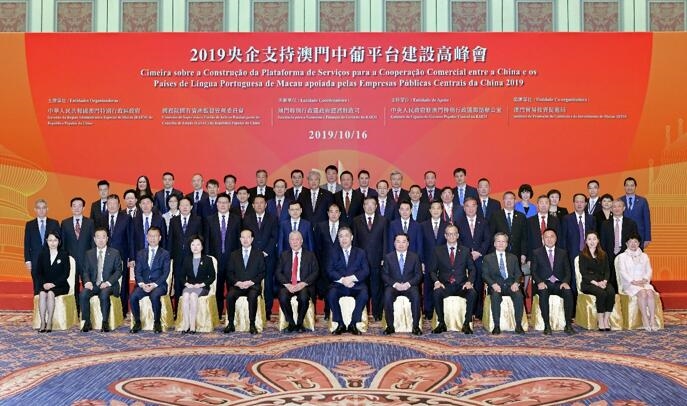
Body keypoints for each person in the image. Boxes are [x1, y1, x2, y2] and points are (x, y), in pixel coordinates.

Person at [429, 225, 477, 335]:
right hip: (445, 285)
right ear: (445, 236)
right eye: (449, 234)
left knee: (472, 293)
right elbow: (432, 271)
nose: (452, 236)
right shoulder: (438, 251)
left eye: (454, 234)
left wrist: (469, 282)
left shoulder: (465, 250)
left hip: (461, 286)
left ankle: (466, 324)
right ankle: (441, 323)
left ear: (458, 235)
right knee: (436, 293)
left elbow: (472, 269)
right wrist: (437, 282)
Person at [531, 229, 575, 335]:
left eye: (552, 236)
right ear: (543, 239)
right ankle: (547, 325)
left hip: (559, 283)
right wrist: (539, 282)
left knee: (568, 292)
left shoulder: (563, 253)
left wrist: (565, 282)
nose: (549, 239)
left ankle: (568, 324)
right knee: (543, 293)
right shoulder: (536, 252)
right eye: (546, 237)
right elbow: (533, 271)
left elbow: (568, 271)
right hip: (544, 283)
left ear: (556, 238)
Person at [204, 194, 241, 319]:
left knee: (233, 289)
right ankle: (217, 314)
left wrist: (238, 259)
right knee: (217, 289)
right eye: (220, 202)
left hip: (232, 260)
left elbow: (239, 241)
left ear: (229, 204)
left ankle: (232, 315)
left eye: (225, 202)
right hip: (216, 260)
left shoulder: (237, 219)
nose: (223, 205)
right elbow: (207, 241)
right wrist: (208, 259)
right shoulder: (209, 219)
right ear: (216, 204)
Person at [241, 195, 278, 319]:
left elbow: (274, 237)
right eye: (256, 203)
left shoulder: (272, 218)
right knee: (253, 282)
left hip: (268, 256)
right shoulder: (247, 219)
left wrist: (265, 251)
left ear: (266, 204)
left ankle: (267, 310)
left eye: (261, 202)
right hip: (252, 257)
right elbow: (246, 237)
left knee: (268, 284)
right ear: (252, 205)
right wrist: (255, 253)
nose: (259, 205)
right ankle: (254, 310)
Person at [79, 227, 123, 333]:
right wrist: (87, 281)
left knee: (104, 294)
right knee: (83, 294)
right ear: (94, 239)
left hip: (109, 285)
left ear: (107, 238)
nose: (101, 240)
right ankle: (86, 322)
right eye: (98, 237)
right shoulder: (89, 253)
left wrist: (108, 283)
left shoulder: (114, 253)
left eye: (103, 237)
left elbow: (118, 271)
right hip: (94, 284)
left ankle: (105, 322)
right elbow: (85, 271)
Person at [327, 227, 369, 335]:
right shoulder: (333, 252)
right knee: (331, 294)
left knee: (364, 293)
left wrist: (351, 278)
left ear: (351, 237)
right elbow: (330, 270)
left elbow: (365, 270)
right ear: (338, 239)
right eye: (341, 236)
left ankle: (353, 324)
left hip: (355, 285)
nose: (344, 239)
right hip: (339, 285)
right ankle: (340, 324)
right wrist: (343, 280)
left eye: (346, 236)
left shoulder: (360, 252)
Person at [352, 196, 388, 321]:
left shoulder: (383, 220)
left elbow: (385, 240)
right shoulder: (356, 220)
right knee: (363, 289)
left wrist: (384, 257)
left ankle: (377, 314)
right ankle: (364, 314)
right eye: (367, 204)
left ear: (376, 206)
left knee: (377, 288)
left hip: (377, 260)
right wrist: (355, 260)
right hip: (361, 262)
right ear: (363, 206)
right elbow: (355, 242)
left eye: (372, 204)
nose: (370, 206)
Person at [130, 226, 171, 334]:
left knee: (154, 295)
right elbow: (137, 272)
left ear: (160, 238)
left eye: (155, 236)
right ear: (147, 238)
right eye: (150, 236)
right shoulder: (141, 253)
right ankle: (137, 322)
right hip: (144, 284)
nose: (153, 238)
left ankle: (157, 323)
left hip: (159, 285)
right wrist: (142, 284)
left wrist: (154, 285)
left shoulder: (165, 254)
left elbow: (165, 273)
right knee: (133, 297)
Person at [482, 232, 525, 334]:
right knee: (495, 297)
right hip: (496, 286)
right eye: (498, 241)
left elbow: (518, 273)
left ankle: (518, 325)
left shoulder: (513, 257)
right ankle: (496, 326)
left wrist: (516, 283)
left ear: (507, 244)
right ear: (494, 244)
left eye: (503, 241)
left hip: (511, 285)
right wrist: (493, 284)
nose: (501, 244)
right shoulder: (487, 258)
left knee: (519, 296)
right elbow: (485, 275)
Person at [276, 231, 319, 333]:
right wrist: (287, 284)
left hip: (304, 284)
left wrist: (303, 283)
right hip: (288, 284)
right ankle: (291, 323)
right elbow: (278, 272)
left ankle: (299, 323)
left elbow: (315, 272)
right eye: (292, 239)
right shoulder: (283, 255)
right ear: (289, 241)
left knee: (304, 297)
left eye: (297, 239)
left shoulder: (310, 255)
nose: (295, 242)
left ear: (302, 241)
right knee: (282, 296)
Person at [99, 194, 134, 317]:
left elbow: (131, 238)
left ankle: (122, 310)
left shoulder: (126, 218)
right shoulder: (101, 218)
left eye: (114, 203)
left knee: (122, 283)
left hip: (122, 255)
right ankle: (106, 310)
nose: (112, 206)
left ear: (119, 205)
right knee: (106, 280)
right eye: (109, 203)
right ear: (106, 205)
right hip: (105, 255)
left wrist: (131, 257)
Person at [456, 197, 491, 319]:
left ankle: (479, 311)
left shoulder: (483, 221)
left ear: (477, 207)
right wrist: (467, 254)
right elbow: (457, 240)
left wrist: (479, 252)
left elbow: (487, 239)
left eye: (473, 205)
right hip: (464, 259)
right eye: (468, 206)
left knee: (479, 284)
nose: (470, 208)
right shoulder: (459, 222)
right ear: (464, 208)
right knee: (465, 284)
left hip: (480, 258)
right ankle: (467, 311)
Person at [225, 229, 265, 334]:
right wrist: (238, 283)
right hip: (238, 286)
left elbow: (262, 273)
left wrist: (251, 282)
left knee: (252, 296)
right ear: (240, 239)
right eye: (243, 237)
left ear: (252, 239)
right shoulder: (234, 254)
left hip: (253, 286)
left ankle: (252, 324)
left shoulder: (258, 254)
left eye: (248, 237)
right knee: (230, 296)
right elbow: (229, 273)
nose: (245, 240)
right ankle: (230, 324)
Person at [168, 197, 203, 314]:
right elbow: (170, 239)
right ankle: (178, 311)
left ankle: (193, 311)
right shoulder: (173, 221)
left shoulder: (197, 220)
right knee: (178, 283)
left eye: (187, 205)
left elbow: (201, 238)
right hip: (177, 257)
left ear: (191, 207)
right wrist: (170, 256)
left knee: (193, 282)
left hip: (193, 257)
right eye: (182, 205)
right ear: (179, 207)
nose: (184, 207)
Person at [382, 233, 423, 335]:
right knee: (387, 296)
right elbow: (384, 275)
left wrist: (408, 284)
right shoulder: (388, 257)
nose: (401, 244)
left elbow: (419, 275)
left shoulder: (414, 257)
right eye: (398, 241)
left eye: (404, 242)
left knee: (416, 296)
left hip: (409, 286)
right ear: (394, 243)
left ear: (408, 244)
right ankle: (390, 326)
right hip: (394, 286)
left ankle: (416, 326)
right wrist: (395, 284)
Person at [616, 234, 658, 331]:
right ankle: (645, 318)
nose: (633, 244)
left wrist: (645, 279)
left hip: (643, 282)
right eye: (630, 242)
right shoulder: (622, 257)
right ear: (626, 244)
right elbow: (622, 272)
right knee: (643, 293)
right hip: (630, 283)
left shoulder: (644, 256)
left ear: (639, 243)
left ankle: (652, 319)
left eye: (635, 241)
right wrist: (633, 281)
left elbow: (649, 270)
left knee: (650, 292)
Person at [61, 197, 95, 314]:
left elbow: (92, 243)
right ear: (71, 208)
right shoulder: (65, 223)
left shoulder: (90, 222)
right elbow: (63, 244)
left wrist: (92, 260)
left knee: (88, 285)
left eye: (79, 205)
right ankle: (75, 310)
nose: (77, 208)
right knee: (73, 286)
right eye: (74, 206)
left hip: (86, 261)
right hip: (71, 262)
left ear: (83, 208)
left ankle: (87, 310)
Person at [313, 203, 346, 319]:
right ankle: (327, 312)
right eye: (331, 211)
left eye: (336, 211)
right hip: (324, 263)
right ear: (327, 213)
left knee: (338, 287)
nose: (333, 214)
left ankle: (339, 312)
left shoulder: (345, 226)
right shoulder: (320, 226)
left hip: (341, 264)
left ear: (340, 213)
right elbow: (317, 246)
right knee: (327, 288)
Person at [579, 231, 615, 331]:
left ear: (598, 241)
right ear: (586, 241)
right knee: (601, 293)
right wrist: (596, 283)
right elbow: (584, 273)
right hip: (589, 283)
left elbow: (607, 271)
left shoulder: (603, 254)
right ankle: (600, 320)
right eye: (589, 239)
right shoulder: (582, 255)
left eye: (594, 239)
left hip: (603, 281)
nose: (592, 241)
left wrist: (605, 281)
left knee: (611, 292)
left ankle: (606, 319)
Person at [179, 235, 215, 334]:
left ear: (202, 247)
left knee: (193, 295)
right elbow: (181, 276)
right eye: (193, 245)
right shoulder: (186, 259)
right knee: (186, 295)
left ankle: (193, 326)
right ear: (190, 246)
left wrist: (201, 284)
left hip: (202, 287)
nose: (195, 247)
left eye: (198, 245)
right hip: (190, 286)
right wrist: (187, 284)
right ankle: (186, 324)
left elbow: (212, 276)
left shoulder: (208, 260)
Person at [600, 199, 639, 291]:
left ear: (624, 208)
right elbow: (602, 242)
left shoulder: (631, 223)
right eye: (614, 207)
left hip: (626, 256)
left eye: (619, 206)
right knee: (611, 283)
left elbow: (635, 241)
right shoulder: (605, 224)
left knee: (625, 282)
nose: (617, 209)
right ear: (611, 209)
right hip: (609, 256)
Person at [24, 199, 61, 295]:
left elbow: (59, 242)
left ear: (47, 209)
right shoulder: (29, 224)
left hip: (51, 260)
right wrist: (28, 260)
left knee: (51, 288)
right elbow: (27, 243)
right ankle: (38, 304)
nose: (41, 210)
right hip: (35, 260)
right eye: (39, 208)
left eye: (43, 208)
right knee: (37, 288)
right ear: (35, 210)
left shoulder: (54, 223)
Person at [36, 232, 70, 333]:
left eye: (55, 240)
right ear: (47, 241)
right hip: (45, 284)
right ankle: (43, 322)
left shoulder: (64, 254)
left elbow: (66, 274)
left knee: (51, 293)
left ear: (59, 241)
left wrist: (53, 284)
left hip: (60, 285)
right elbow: (38, 273)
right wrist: (44, 283)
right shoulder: (42, 254)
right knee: (42, 294)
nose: (53, 243)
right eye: (50, 240)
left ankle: (50, 321)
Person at [419, 201, 448, 319]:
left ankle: (440, 311)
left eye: (438, 208)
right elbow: (420, 244)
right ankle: (428, 311)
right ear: (430, 210)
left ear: (442, 210)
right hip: (427, 261)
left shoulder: (447, 225)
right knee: (427, 286)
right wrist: (421, 261)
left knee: (441, 286)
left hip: (443, 262)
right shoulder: (422, 225)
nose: (436, 210)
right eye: (433, 208)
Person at [620, 177, 651, 248]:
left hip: (639, 235)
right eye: (627, 185)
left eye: (632, 185)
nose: (629, 188)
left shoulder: (642, 201)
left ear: (635, 187)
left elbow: (647, 220)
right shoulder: (620, 200)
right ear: (624, 187)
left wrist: (647, 238)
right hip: (623, 235)